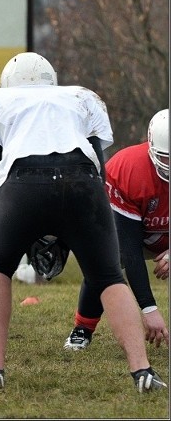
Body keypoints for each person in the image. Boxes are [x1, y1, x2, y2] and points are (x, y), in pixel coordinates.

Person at [0, 51, 167, 392]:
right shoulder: (80, 96)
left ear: (7, 84)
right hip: (83, 180)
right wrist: (74, 229)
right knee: (108, 276)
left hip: (23, 180)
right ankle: (142, 371)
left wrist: (17, 233)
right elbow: (97, 165)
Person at [63, 108, 169, 350]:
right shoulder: (129, 169)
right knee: (106, 260)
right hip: (135, 230)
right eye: (166, 158)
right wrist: (149, 309)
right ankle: (83, 327)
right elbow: (130, 248)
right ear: (151, 148)